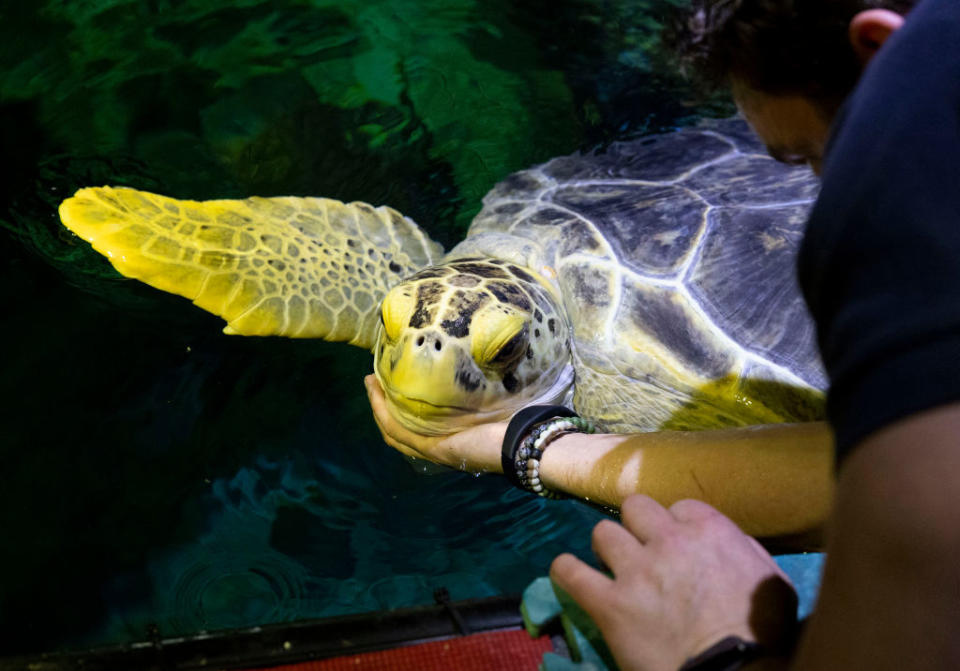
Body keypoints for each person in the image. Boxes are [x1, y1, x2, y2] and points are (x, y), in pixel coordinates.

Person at [368, 0, 960, 667]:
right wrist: (525, 441)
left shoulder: (904, 231)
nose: (815, 188)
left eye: (811, 155)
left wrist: (716, 653)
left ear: (881, 46)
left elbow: (875, 496)